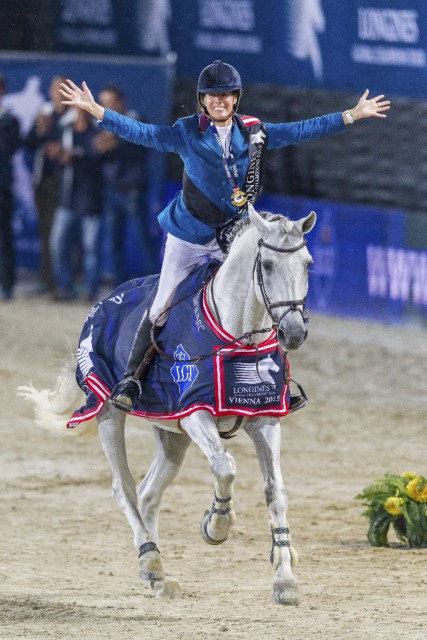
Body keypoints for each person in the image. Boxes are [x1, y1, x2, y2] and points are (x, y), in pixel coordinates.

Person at [59, 60, 390, 411]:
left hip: (231, 236)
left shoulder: (255, 131)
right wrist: (98, 111)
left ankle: (280, 385)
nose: (219, 101)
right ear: (203, 101)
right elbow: (144, 133)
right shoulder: (187, 131)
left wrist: (351, 115)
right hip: (188, 235)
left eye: (226, 95)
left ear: (235, 98)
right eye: (212, 96)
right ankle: (130, 380)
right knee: (161, 304)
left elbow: (300, 130)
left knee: (261, 298)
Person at [93, 84, 156, 286]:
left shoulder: (135, 119)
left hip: (132, 191)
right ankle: (118, 289)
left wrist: (116, 143)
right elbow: (95, 150)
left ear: (121, 102)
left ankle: (155, 286)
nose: (106, 106)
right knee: (113, 243)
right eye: (104, 103)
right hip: (112, 190)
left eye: (111, 102)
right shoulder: (102, 125)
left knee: (142, 240)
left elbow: (140, 143)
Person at [49, 108, 104, 302]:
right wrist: (56, 154)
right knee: (58, 243)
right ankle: (65, 287)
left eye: (83, 110)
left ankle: (91, 290)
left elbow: (98, 158)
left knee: (91, 248)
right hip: (67, 198)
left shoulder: (97, 132)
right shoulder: (64, 131)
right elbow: (51, 151)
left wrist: (76, 155)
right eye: (76, 110)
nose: (79, 114)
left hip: (90, 200)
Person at [24, 75, 69, 294]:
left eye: (61, 89)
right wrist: (41, 130)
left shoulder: (75, 113)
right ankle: (48, 280)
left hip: (67, 183)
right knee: (45, 232)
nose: (56, 93)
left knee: (63, 234)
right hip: (44, 181)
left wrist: (56, 139)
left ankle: (65, 280)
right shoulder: (45, 113)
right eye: (53, 89)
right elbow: (30, 142)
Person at [0, 74, 20, 301]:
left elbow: (7, 148)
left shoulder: (9, 120)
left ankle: (6, 285)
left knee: (4, 236)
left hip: (1, 186)